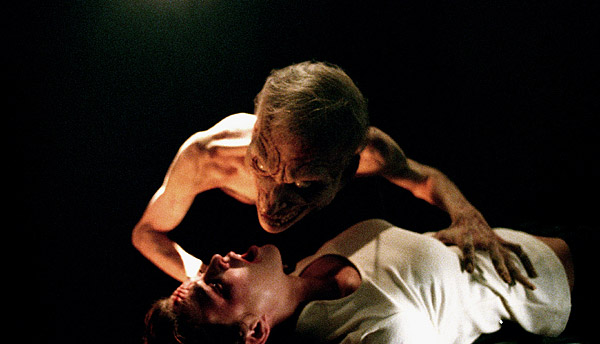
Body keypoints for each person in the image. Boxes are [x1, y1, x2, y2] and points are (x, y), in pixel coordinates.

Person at [132, 61, 536, 288]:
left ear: (348, 168)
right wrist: (204, 278)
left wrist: (467, 216)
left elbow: (425, 179)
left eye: (302, 182)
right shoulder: (209, 155)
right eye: (263, 165)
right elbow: (146, 232)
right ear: (257, 133)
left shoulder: (368, 151)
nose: (272, 200)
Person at [140, 219, 574, 344]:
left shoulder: (308, 272)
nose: (216, 261)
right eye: (216, 286)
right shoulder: (377, 332)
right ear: (256, 331)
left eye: (203, 274)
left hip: (541, 238)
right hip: (569, 287)